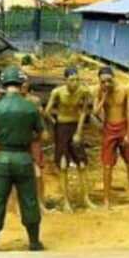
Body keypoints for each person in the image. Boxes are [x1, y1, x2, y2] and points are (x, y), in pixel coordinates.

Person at [0, 66, 47, 252]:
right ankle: (34, 242)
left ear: (3, 84)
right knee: (29, 200)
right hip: (24, 158)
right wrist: (29, 138)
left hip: (2, 158)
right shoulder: (31, 107)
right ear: (21, 83)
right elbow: (44, 135)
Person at [93, 67, 129, 210]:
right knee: (107, 165)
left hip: (123, 127)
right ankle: (106, 200)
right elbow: (95, 112)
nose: (106, 84)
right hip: (109, 128)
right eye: (103, 82)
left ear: (114, 78)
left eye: (108, 81)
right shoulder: (98, 91)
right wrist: (103, 97)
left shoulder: (125, 90)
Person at [45, 68, 94, 212]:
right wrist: (54, 123)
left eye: (77, 80)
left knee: (82, 164)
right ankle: (66, 201)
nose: (75, 83)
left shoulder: (83, 91)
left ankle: (86, 198)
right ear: (65, 80)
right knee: (63, 165)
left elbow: (84, 111)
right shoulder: (57, 92)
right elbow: (47, 111)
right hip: (61, 127)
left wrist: (79, 131)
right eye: (72, 80)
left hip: (75, 125)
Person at [22, 78, 50, 214]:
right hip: (18, 141)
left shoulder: (34, 100)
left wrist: (43, 130)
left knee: (38, 174)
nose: (23, 86)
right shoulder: (11, 101)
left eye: (25, 83)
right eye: (20, 83)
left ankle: (41, 202)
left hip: (33, 140)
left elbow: (40, 119)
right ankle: (19, 205)